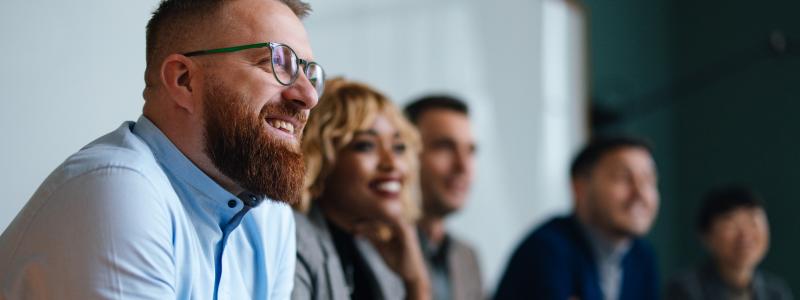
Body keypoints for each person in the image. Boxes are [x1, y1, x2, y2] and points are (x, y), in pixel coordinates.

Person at [0, 0, 324, 298]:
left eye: (310, 73)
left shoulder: (270, 217)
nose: (309, 97)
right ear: (184, 80)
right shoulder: (117, 188)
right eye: (277, 63)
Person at [292, 78, 431, 300]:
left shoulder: (378, 249)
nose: (392, 163)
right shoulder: (293, 239)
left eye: (398, 147)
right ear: (321, 158)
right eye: (366, 145)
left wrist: (416, 282)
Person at [494, 136, 660, 300]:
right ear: (580, 187)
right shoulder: (547, 250)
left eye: (649, 180)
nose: (640, 193)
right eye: (623, 178)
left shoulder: (641, 256)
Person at [404, 95, 483, 300]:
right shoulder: (374, 249)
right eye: (445, 146)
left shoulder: (468, 258)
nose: (463, 166)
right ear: (404, 153)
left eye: (471, 151)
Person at [665, 185, 794, 300]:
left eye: (753, 222)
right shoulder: (686, 289)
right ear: (706, 236)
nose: (745, 234)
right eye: (732, 224)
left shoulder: (776, 292)